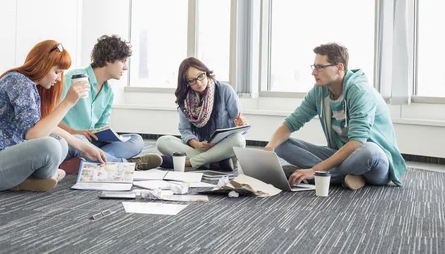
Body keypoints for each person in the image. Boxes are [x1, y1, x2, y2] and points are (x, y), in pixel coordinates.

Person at [0, 40, 107, 192]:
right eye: (57, 72)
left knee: (60, 142)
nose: (59, 79)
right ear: (43, 65)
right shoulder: (18, 81)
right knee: (50, 145)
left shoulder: (29, 86)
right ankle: (39, 177)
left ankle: (23, 181)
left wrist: (84, 147)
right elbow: (34, 135)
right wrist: (68, 102)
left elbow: (43, 127)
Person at [264, 43, 407, 190]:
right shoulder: (319, 91)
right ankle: (344, 176)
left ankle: (321, 176)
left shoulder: (360, 92)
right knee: (280, 144)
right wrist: (269, 148)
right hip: (342, 155)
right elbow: (291, 123)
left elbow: (357, 142)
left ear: (339, 67)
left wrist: (314, 170)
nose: (314, 72)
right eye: (313, 67)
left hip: (375, 163)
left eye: (320, 67)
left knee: (369, 150)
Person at [59, 35, 162, 170]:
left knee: (136, 140)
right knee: (80, 140)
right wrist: (73, 131)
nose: (125, 67)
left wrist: (111, 136)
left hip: (92, 142)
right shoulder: (72, 79)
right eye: (123, 61)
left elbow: (102, 125)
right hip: (70, 140)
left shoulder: (108, 92)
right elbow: (48, 116)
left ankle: (87, 161)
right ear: (108, 59)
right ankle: (126, 165)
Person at [156, 57, 247, 171]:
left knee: (239, 141)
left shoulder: (225, 90)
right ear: (186, 83)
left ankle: (189, 162)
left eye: (200, 76)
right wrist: (197, 144)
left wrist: (240, 124)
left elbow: (241, 129)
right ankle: (215, 163)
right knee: (162, 142)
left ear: (206, 72)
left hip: (223, 148)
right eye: (192, 80)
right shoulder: (185, 99)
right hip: (200, 148)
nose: (198, 83)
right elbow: (185, 130)